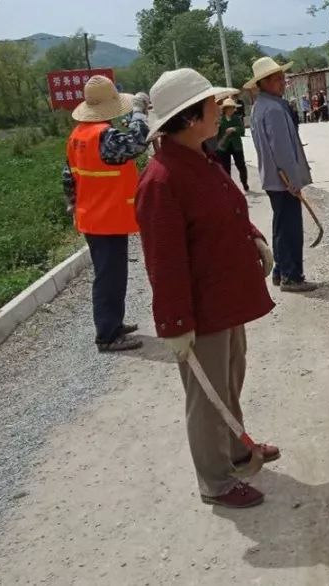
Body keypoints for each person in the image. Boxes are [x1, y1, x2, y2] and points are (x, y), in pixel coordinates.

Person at [135, 68, 278, 509]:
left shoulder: (200, 157)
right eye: (213, 105)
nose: (220, 111)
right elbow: (165, 262)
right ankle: (215, 481)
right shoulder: (162, 181)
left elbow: (227, 208)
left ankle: (237, 449)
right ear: (192, 116)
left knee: (229, 380)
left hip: (224, 298)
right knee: (207, 394)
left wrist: (252, 234)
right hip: (200, 308)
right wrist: (175, 323)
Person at [63, 76, 149, 352]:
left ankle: (113, 322)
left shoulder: (79, 135)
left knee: (111, 273)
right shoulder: (104, 135)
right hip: (106, 217)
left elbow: (68, 175)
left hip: (92, 216)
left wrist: (72, 202)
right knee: (109, 276)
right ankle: (108, 335)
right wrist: (139, 111)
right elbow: (137, 143)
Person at [247, 56, 318, 293]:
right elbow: (283, 151)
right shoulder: (274, 109)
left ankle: (281, 271)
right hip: (283, 180)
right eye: (277, 79)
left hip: (272, 178)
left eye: (282, 78)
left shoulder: (260, 106)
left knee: (281, 226)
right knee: (290, 229)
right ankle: (292, 276)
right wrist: (294, 181)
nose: (283, 83)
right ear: (263, 83)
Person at [215, 97, 248, 192]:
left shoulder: (237, 118)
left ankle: (244, 183)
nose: (232, 110)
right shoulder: (220, 119)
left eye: (233, 108)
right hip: (224, 146)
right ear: (225, 109)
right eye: (229, 108)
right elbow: (216, 133)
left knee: (241, 165)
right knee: (226, 168)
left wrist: (234, 129)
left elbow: (242, 130)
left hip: (236, 145)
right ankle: (229, 187)